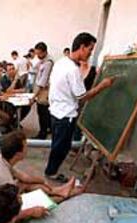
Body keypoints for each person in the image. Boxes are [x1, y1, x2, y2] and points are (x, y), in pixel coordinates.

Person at [45, 32, 115, 181]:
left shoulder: (61, 62)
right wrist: (103, 85)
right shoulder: (73, 69)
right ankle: (51, 172)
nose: (90, 53)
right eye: (90, 49)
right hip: (66, 115)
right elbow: (82, 97)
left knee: (57, 145)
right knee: (62, 148)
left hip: (55, 112)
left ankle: (51, 170)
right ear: (82, 47)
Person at [0, 131, 85, 214]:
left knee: (25, 183)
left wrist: (43, 181)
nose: (27, 148)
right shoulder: (3, 178)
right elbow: (14, 204)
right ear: (18, 154)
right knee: (35, 202)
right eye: (25, 146)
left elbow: (23, 177)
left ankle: (59, 191)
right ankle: (66, 195)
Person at [31, 42, 54, 139]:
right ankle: (48, 129)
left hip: (44, 91)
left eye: (39, 54)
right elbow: (35, 69)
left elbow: (42, 82)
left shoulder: (48, 63)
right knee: (45, 113)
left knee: (42, 112)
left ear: (45, 52)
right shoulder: (43, 61)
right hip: (41, 90)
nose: (38, 56)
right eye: (36, 54)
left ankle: (42, 134)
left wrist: (34, 96)